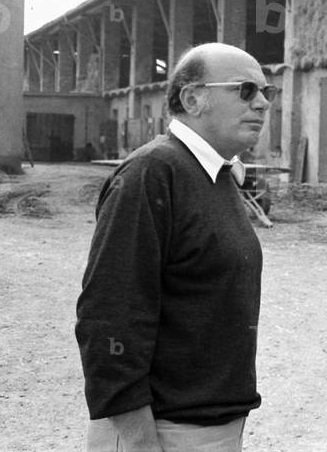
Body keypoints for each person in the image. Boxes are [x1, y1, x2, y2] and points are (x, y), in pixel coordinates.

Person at [76, 42, 276, 452]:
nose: (262, 103)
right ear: (192, 99)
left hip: (211, 428)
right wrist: (139, 441)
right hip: (164, 433)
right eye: (245, 90)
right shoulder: (151, 173)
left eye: (265, 91)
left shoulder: (215, 174)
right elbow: (108, 315)